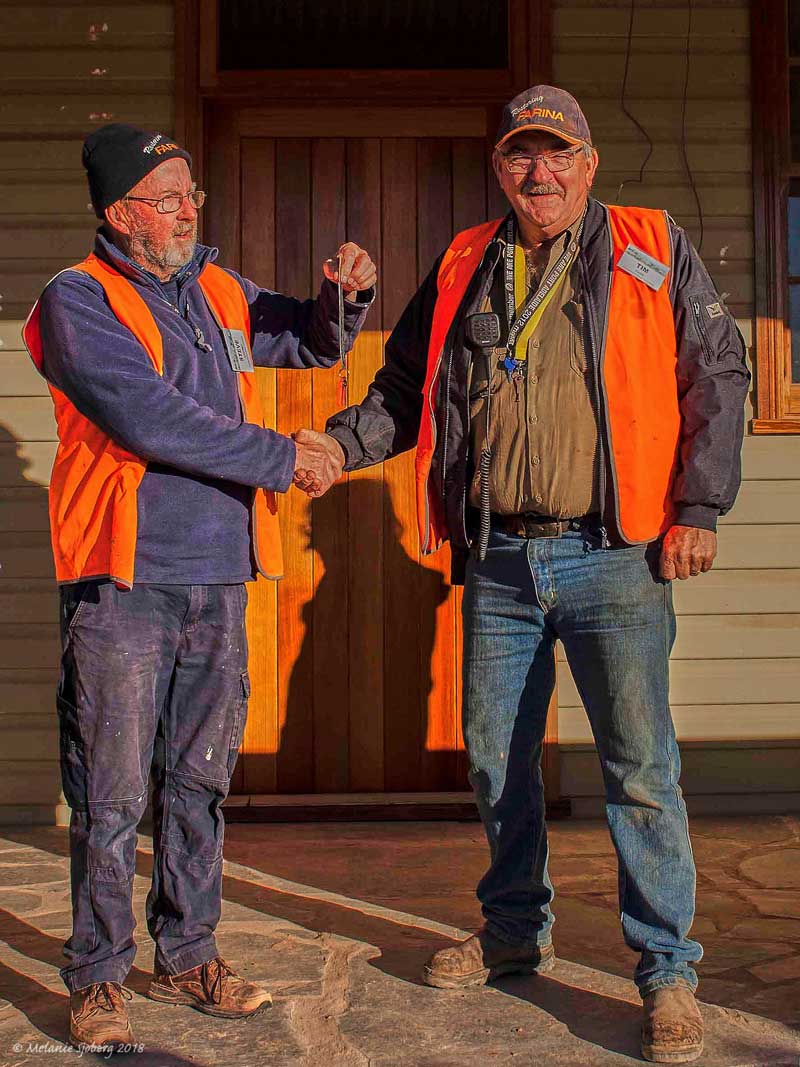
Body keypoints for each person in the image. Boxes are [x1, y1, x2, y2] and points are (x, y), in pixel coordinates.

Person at [309, 86, 750, 1064]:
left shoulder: (648, 243)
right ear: (499, 168)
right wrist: (339, 446)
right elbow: (403, 387)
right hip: (500, 557)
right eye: (520, 154)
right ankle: (513, 928)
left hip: (617, 554)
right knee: (494, 757)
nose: (538, 172)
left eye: (556, 154)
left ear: (587, 164)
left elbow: (717, 371)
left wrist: (697, 505)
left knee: (638, 766)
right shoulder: (465, 260)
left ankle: (666, 967)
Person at [23, 123, 375, 1051]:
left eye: (193, 194)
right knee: (108, 791)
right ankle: (100, 974)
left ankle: (188, 955)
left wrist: (343, 298)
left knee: (198, 778)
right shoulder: (77, 300)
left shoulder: (215, 288)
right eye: (169, 197)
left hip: (220, 571)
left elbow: (305, 341)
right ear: (119, 212)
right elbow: (150, 417)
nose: (188, 211)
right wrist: (281, 456)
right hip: (124, 578)